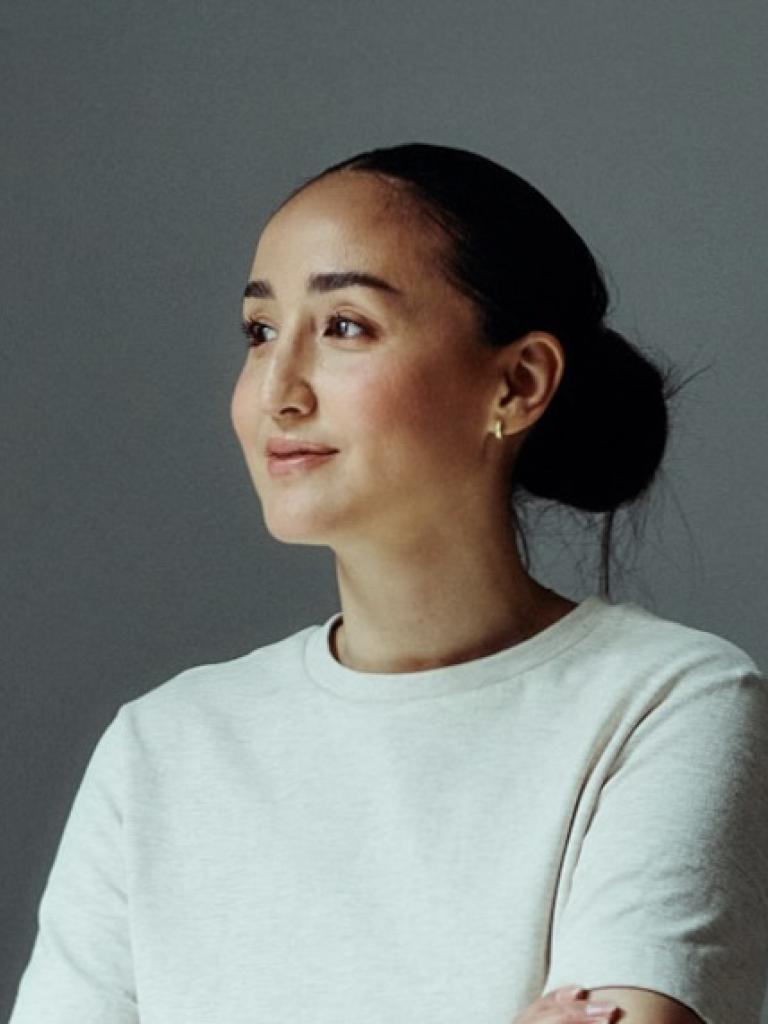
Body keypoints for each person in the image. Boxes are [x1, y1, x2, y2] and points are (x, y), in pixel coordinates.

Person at [9, 142, 768, 1024]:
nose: (278, 392)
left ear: (519, 383)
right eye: (260, 332)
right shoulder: (162, 748)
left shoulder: (668, 705)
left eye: (345, 326)